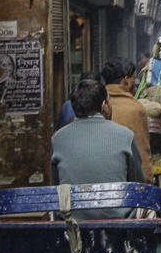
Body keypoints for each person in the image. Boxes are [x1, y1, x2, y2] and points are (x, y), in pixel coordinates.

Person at [51, 78, 145, 219]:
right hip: (118, 218)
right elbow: (138, 183)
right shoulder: (126, 135)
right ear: (103, 105)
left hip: (72, 220)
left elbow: (56, 183)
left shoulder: (58, 138)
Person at [102, 58, 154, 183]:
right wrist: (147, 181)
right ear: (125, 79)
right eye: (132, 78)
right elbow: (142, 150)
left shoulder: (96, 102)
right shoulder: (135, 109)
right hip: (125, 180)